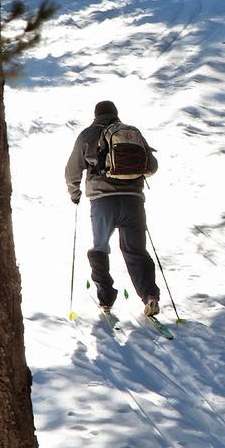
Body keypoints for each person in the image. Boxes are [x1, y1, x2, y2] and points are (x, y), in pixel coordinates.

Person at [65, 100, 161, 316]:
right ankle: (150, 296)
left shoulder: (87, 135)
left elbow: (72, 171)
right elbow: (152, 166)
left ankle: (106, 299)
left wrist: (75, 194)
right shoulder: (131, 134)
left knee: (100, 248)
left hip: (103, 201)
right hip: (133, 202)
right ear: (116, 114)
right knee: (136, 251)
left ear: (95, 115)